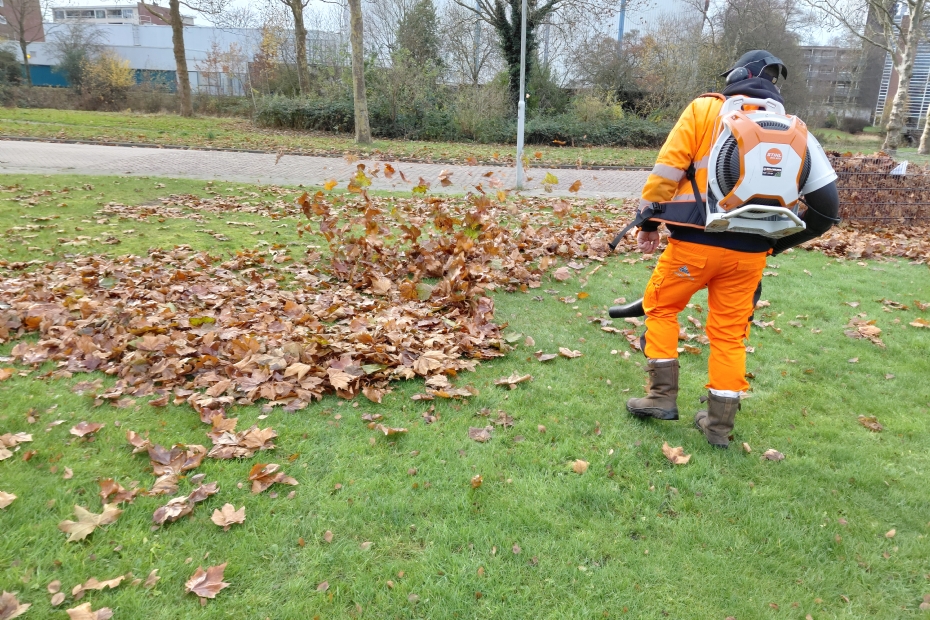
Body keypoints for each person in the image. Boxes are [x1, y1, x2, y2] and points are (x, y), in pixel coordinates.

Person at [622, 50, 840, 448]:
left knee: (662, 307)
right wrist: (774, 246)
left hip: (695, 245)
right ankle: (718, 426)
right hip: (750, 255)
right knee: (728, 335)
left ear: (736, 76)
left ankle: (660, 397)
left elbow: (667, 170)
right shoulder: (798, 131)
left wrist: (648, 223)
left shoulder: (705, 109)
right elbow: (827, 210)